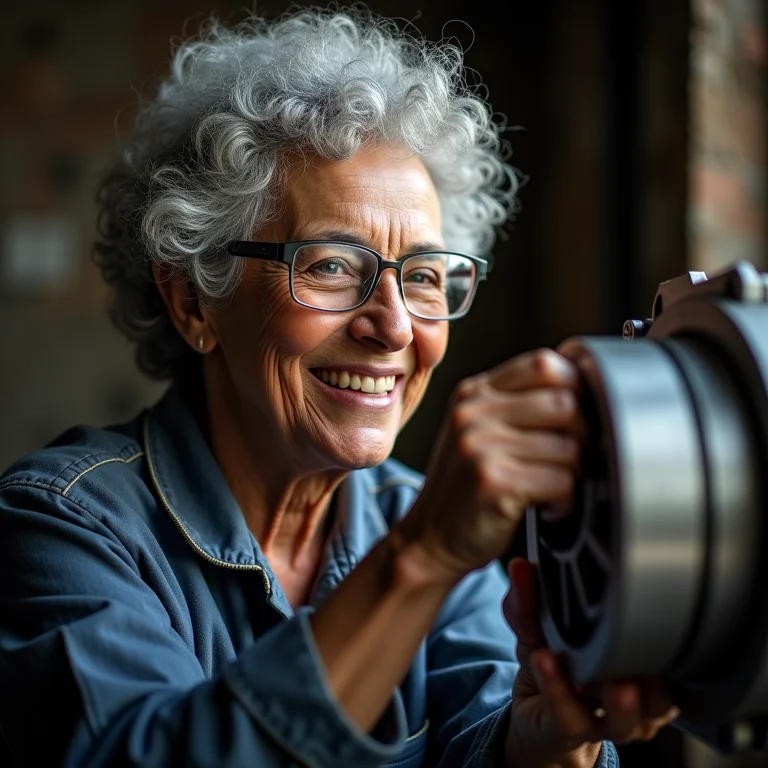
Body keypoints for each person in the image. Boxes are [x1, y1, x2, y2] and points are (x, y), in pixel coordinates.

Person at [0, 9, 678, 766]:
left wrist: (549, 740)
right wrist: (419, 558)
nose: (392, 325)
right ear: (194, 301)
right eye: (329, 266)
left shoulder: (417, 516)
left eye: (422, 277)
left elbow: (487, 742)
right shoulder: (60, 527)